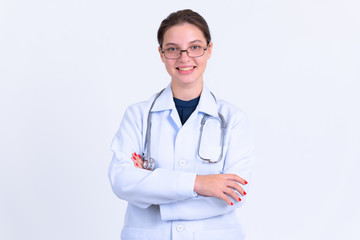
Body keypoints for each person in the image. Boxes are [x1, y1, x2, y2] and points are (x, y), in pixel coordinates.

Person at [108, 9, 254, 240]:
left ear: (209, 50)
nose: (184, 58)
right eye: (173, 49)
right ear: (161, 54)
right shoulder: (138, 115)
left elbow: (235, 194)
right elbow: (122, 181)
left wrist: (154, 193)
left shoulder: (233, 119)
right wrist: (199, 183)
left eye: (195, 47)